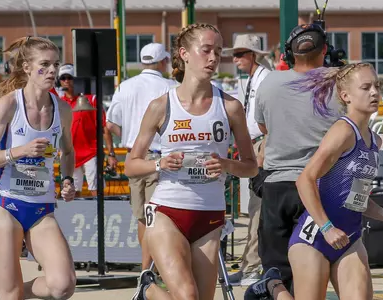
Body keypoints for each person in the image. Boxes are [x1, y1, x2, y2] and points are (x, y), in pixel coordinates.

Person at [245, 63, 383, 300]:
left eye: (377, 86)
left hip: (349, 237)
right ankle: (272, 286)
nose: (374, 92)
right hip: (315, 237)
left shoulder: (375, 141)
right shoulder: (342, 131)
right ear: (346, 96)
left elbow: (356, 198)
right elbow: (305, 180)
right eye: (365, 87)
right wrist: (327, 227)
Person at [125, 23, 258, 300]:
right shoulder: (161, 105)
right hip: (167, 211)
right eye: (206, 50)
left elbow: (251, 166)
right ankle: (148, 288)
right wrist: (160, 163)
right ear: (184, 54)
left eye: (218, 52)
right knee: (187, 295)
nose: (213, 58)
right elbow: (131, 165)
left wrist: (225, 164)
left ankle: (148, 289)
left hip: (209, 215)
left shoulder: (230, 107)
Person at [0, 36, 77, 299]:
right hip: (7, 205)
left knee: (63, 285)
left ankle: (20, 291)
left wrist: (67, 181)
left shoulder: (62, 109)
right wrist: (19, 152)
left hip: (41, 207)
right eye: (44, 65)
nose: (52, 71)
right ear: (28, 68)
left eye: (56, 64)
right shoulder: (10, 104)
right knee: (10, 294)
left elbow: (68, 151)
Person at [251, 24, 339, 294]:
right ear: (324, 50)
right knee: (313, 272)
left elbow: (263, 128)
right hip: (319, 186)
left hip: (277, 186)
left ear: (289, 54)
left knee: (276, 271)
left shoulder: (270, 82)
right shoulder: (339, 81)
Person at [107, 42, 176, 270]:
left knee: (142, 218)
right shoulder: (171, 86)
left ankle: (147, 270)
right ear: (162, 61)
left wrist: (131, 138)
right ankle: (154, 270)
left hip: (132, 156)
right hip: (160, 156)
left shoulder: (125, 86)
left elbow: (110, 124)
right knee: (157, 217)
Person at [222, 33, 271, 285]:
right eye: (234, 53)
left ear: (253, 55)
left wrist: (260, 156)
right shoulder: (254, 79)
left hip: (261, 147)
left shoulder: (264, 80)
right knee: (254, 211)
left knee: (257, 211)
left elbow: (270, 122)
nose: (235, 58)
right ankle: (250, 265)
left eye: (240, 53)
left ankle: (253, 267)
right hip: (254, 147)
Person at [58, 63, 118, 197]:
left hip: (91, 153)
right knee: (73, 193)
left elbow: (104, 127)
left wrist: (111, 154)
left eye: (70, 77)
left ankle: (101, 218)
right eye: (63, 78)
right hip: (70, 154)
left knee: (96, 191)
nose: (66, 81)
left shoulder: (91, 99)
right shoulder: (59, 103)